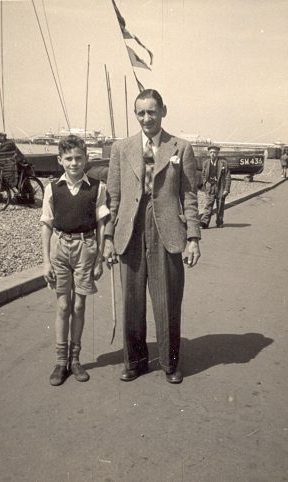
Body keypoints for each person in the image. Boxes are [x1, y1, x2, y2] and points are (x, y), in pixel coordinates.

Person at [103, 89, 201, 384]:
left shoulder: (180, 148)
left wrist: (193, 237)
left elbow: (189, 195)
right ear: (136, 115)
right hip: (129, 230)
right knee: (132, 301)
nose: (146, 118)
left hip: (167, 231)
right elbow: (113, 197)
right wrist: (108, 236)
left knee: (167, 301)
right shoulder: (121, 148)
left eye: (152, 111)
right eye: (141, 112)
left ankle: (170, 363)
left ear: (163, 111)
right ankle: (134, 361)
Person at [41, 135, 109, 386]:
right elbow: (46, 225)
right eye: (68, 158)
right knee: (62, 306)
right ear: (60, 160)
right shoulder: (52, 188)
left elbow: (102, 224)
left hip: (85, 247)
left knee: (78, 306)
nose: (73, 163)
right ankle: (61, 362)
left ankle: (76, 359)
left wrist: (100, 258)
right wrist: (45, 261)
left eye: (78, 158)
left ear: (86, 159)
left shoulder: (97, 187)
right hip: (60, 248)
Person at [200, 145, 231, 229]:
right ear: (208, 153)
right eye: (211, 152)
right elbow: (203, 174)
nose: (213, 154)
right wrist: (205, 183)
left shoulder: (223, 163)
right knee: (208, 204)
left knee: (220, 205)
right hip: (210, 186)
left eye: (214, 152)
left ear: (218, 153)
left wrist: (226, 189)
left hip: (220, 187)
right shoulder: (205, 163)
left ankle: (219, 222)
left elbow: (228, 177)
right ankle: (204, 222)